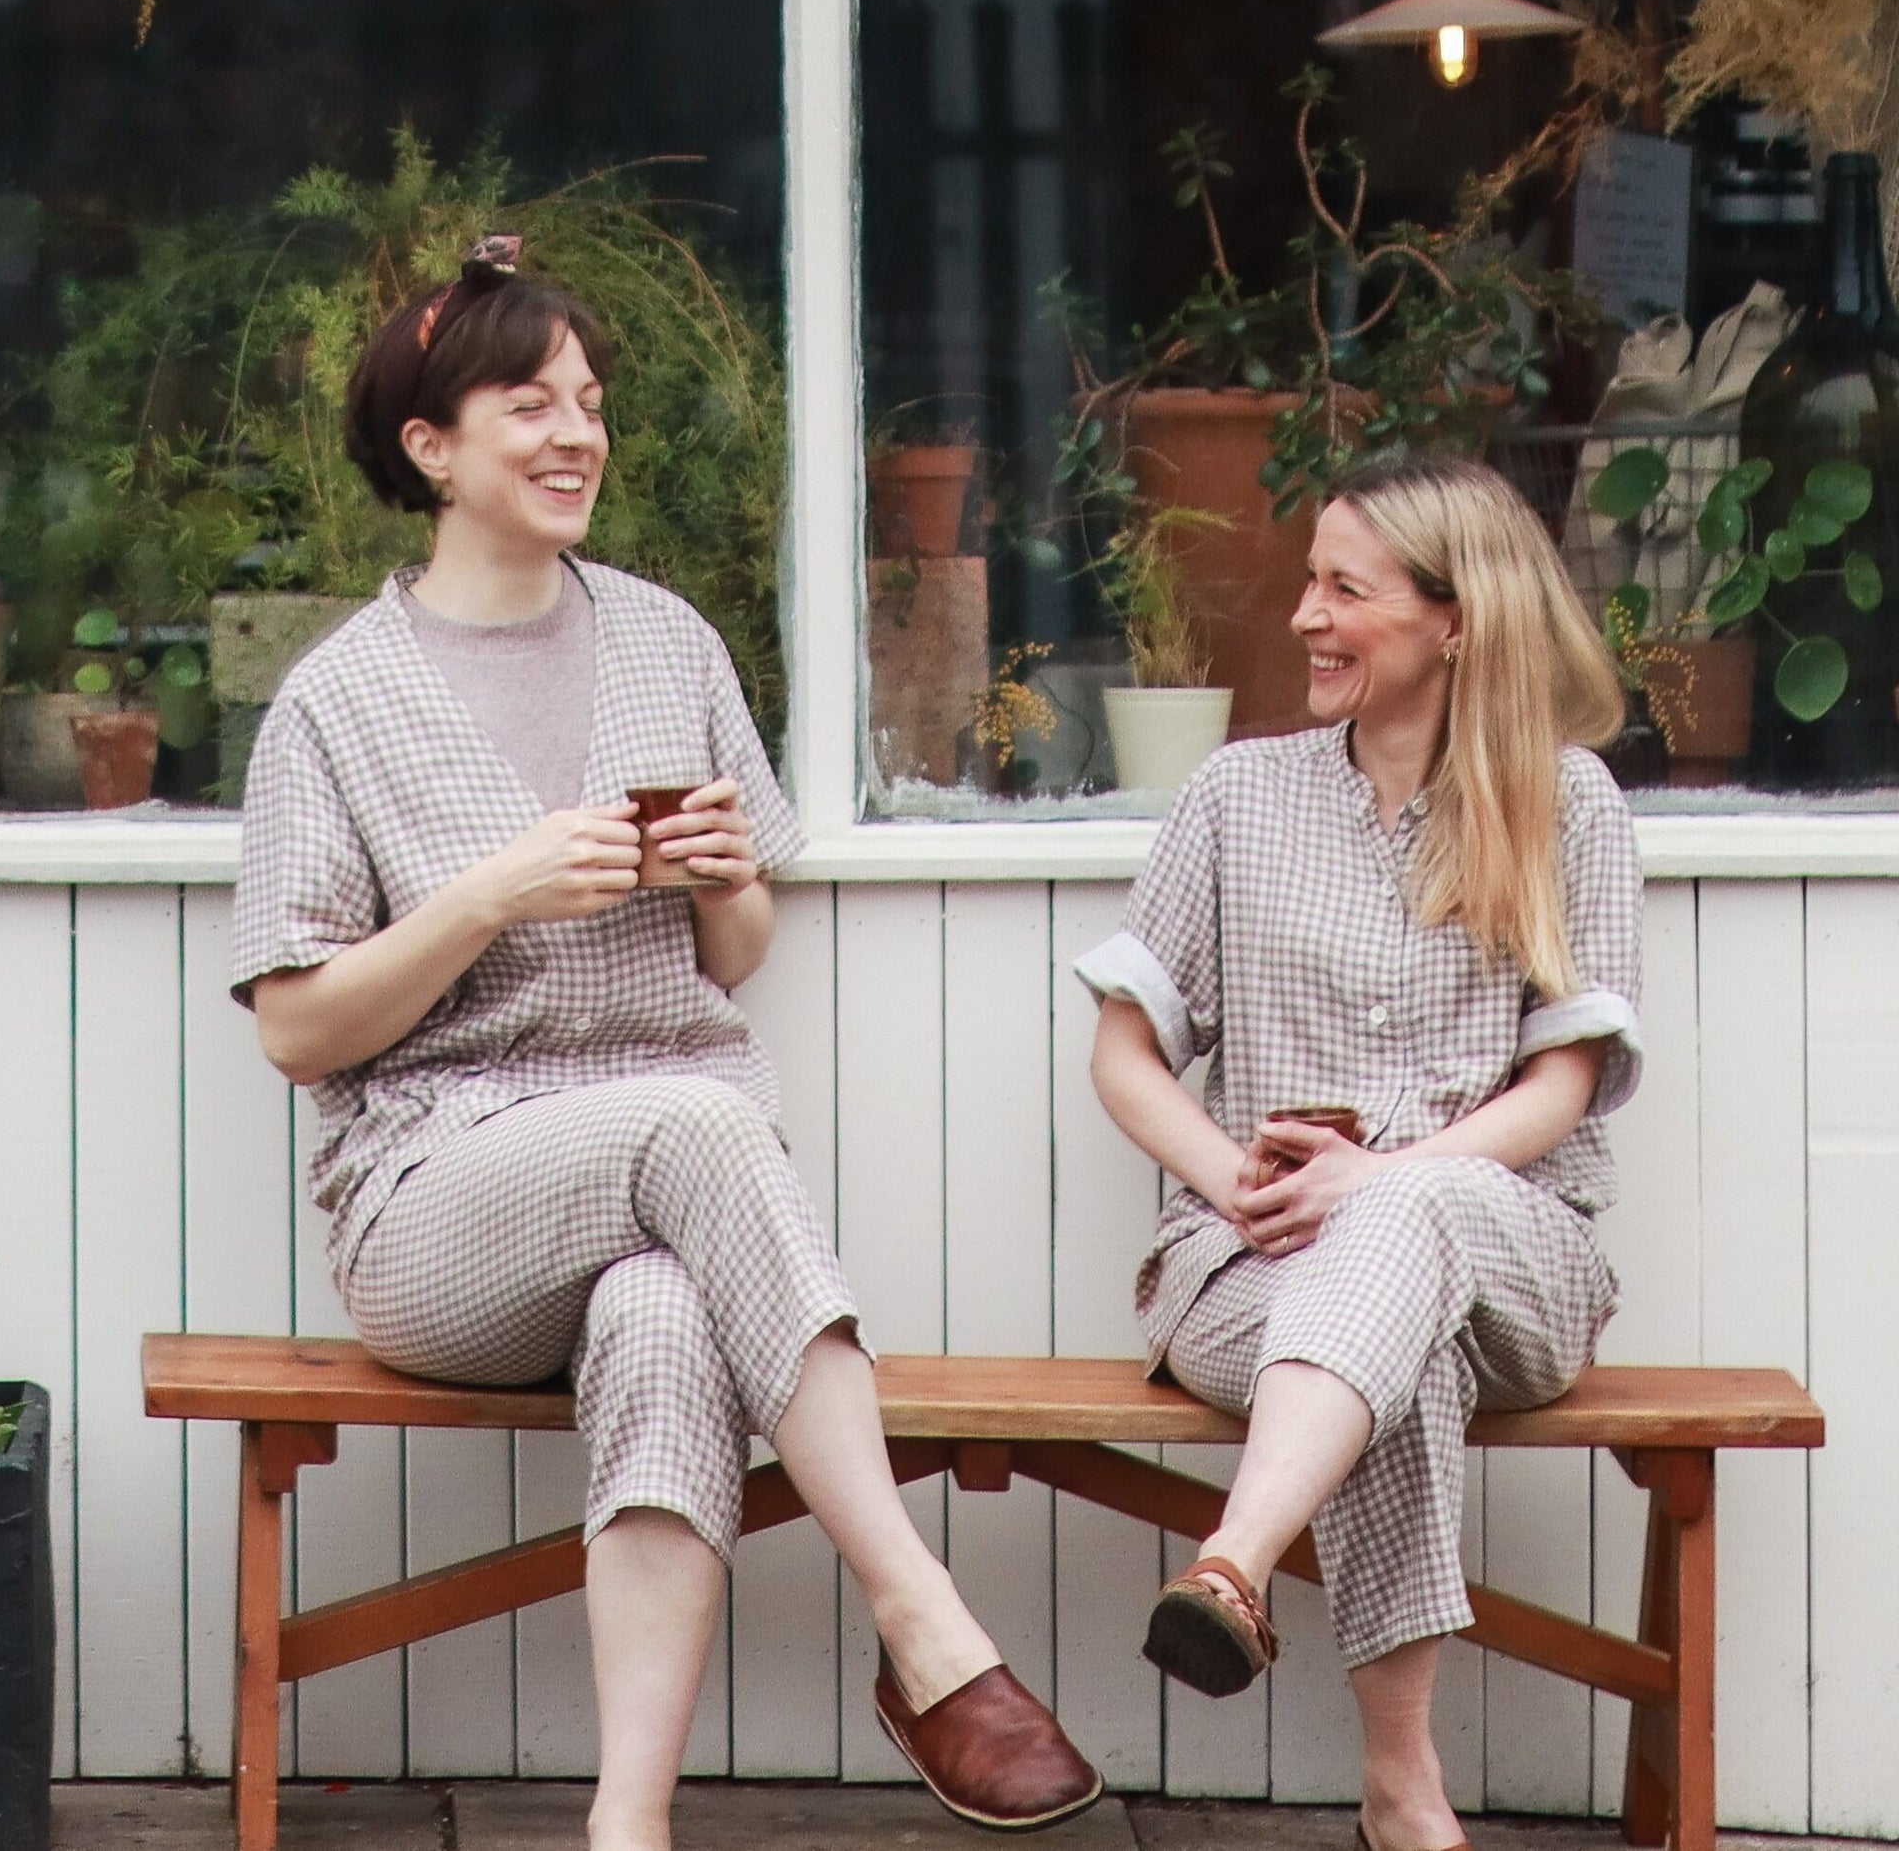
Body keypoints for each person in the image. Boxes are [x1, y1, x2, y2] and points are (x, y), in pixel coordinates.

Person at [231, 239, 1099, 1843]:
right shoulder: (336, 705)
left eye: (592, 402)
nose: (578, 435)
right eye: (529, 404)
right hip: (434, 1204)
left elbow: (741, 950)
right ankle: (919, 1612)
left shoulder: (666, 640)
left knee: (657, 1321)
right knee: (699, 1125)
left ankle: (623, 1827)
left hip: (658, 1190)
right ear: (430, 448)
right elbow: (296, 1028)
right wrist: (488, 896)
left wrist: (718, 879)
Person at [1076, 451, 1642, 1851]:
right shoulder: (1237, 796)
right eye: (1308, 583)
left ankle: (1232, 1560)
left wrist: (1382, 1182)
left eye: (1345, 589)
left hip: (1510, 1254)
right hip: (1253, 1266)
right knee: (1401, 1343)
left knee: (1408, 1230)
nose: (1303, 619)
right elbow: (1122, 1052)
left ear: (1455, 620)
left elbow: (1564, 1084)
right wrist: (1231, 1182)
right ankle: (1403, 1791)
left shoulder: (1567, 806)